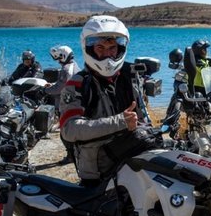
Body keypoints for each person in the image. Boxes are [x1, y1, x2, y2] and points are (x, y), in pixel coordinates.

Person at [59, 15, 153, 186]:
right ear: (88, 48)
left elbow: (142, 116)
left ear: (120, 49)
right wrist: (120, 121)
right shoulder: (78, 84)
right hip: (99, 172)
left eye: (112, 48)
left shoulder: (129, 76)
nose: (107, 54)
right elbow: (69, 129)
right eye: (100, 48)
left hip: (133, 160)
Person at [46, 45, 81, 164]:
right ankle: (75, 154)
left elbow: (60, 88)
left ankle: (71, 156)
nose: (58, 61)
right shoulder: (74, 65)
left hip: (68, 104)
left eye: (59, 58)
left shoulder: (66, 69)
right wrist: (52, 85)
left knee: (65, 133)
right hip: (76, 102)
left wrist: (46, 90)